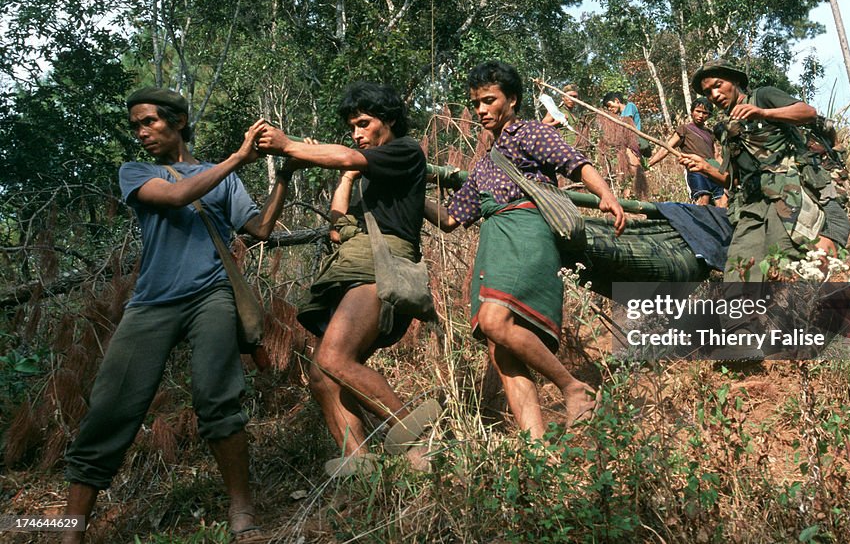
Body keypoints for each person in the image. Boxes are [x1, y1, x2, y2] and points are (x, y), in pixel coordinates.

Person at [63, 87, 299, 543]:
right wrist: (239, 156)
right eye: (136, 125)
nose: (142, 132)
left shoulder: (223, 178)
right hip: (152, 302)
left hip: (210, 294)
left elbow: (261, 228)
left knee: (218, 398)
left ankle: (242, 510)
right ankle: (70, 531)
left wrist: (285, 172)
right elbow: (175, 197)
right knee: (111, 406)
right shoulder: (136, 172)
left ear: (178, 121)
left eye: (149, 121)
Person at [426, 60, 625, 440]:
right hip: (495, 246)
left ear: (512, 99)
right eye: (477, 103)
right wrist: (410, 191)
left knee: (494, 321)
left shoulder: (529, 133)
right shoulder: (483, 166)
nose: (482, 110)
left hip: (528, 234)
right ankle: (537, 451)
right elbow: (451, 219)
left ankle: (573, 388)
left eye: (489, 100)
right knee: (502, 354)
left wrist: (607, 194)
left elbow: (575, 163)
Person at [255, 82, 435, 475]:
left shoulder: (404, 150)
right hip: (353, 265)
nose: (357, 133)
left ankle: (421, 439)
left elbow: (344, 156)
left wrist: (288, 145)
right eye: (352, 127)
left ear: (388, 121)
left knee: (333, 358)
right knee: (322, 375)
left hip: (379, 265)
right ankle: (360, 465)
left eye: (364, 123)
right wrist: (350, 177)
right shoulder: (371, 176)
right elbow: (337, 226)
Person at [680, 61, 850, 283]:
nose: (714, 94)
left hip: (787, 198)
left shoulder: (762, 96)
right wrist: (704, 168)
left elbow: (807, 112)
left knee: (785, 269)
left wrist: (762, 112)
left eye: (718, 85)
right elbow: (735, 180)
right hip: (751, 209)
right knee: (738, 274)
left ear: (736, 81)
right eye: (708, 92)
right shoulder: (728, 129)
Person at [648, 97, 728, 207]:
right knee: (703, 203)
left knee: (722, 206)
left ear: (708, 115)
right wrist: (649, 164)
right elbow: (666, 148)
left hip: (713, 172)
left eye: (705, 113)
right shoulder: (684, 129)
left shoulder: (710, 133)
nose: (701, 115)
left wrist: (724, 174)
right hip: (697, 172)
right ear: (691, 112)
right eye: (698, 111)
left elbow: (717, 155)